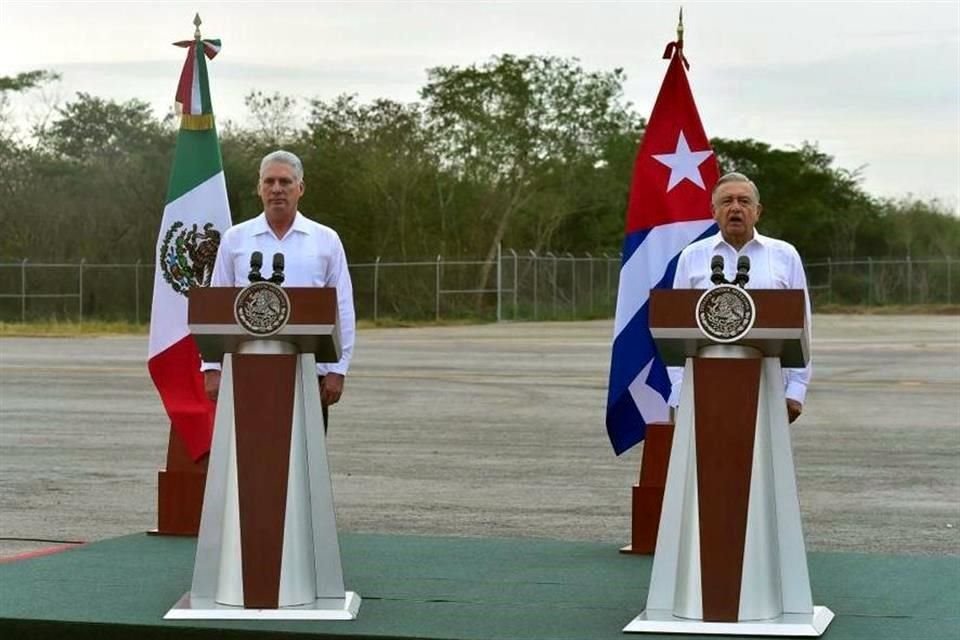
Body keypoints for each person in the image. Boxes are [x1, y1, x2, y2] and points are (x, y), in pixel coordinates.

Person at [202, 150, 355, 430]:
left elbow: (342, 307)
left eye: (285, 182)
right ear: (259, 188)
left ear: (300, 188)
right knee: (248, 458)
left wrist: (338, 369)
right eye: (269, 182)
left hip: (310, 372)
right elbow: (217, 306)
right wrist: (211, 368)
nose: (277, 189)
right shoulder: (235, 239)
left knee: (305, 463)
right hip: (246, 371)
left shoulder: (326, 240)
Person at [668, 171, 811, 423]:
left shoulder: (784, 255)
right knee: (700, 463)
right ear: (713, 211)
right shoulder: (691, 256)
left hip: (768, 386)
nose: (735, 208)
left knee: (763, 462)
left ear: (758, 211)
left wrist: (796, 389)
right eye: (727, 201)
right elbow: (674, 329)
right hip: (700, 386)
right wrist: (680, 387)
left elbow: (803, 326)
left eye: (744, 201)